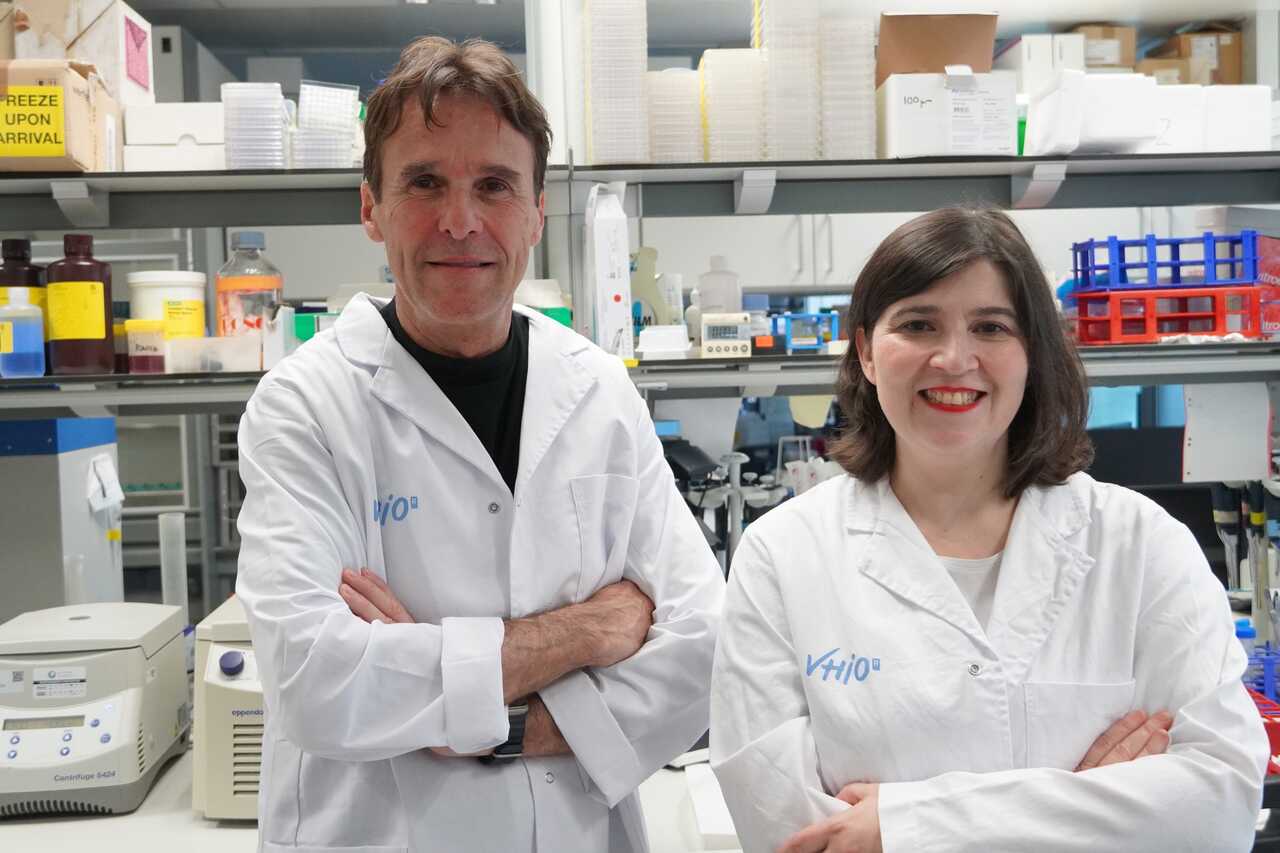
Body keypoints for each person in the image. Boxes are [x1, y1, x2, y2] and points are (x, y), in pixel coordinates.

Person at [235, 36, 724, 853]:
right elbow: (314, 679)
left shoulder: (600, 392)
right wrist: (583, 632)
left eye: (494, 185)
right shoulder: (306, 407)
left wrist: (495, 720)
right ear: (371, 207)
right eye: (425, 182)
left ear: (536, 210)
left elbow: (704, 645)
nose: (460, 222)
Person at [710, 207, 1268, 853]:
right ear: (866, 351)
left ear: (1032, 353)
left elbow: (1219, 806)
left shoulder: (1140, 544)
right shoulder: (784, 554)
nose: (954, 358)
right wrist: (1089, 803)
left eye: (991, 327)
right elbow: (792, 835)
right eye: (918, 324)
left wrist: (903, 825)